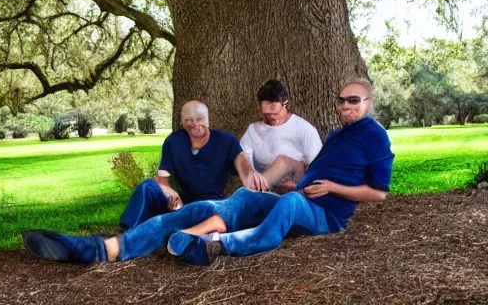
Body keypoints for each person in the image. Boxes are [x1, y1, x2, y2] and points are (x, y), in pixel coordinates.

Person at [22, 79, 394, 265]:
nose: (345, 105)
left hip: (325, 213)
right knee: (216, 204)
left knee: (289, 204)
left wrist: (331, 186)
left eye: (353, 100)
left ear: (369, 102)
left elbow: (379, 193)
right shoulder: (338, 134)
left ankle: (216, 245)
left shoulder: (376, 138)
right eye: (342, 99)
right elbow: (249, 166)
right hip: (293, 195)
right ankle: (105, 248)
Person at [118, 99, 267, 230]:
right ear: (182, 121)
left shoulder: (226, 141)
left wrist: (253, 176)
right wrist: (173, 198)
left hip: (211, 203)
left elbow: (244, 167)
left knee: (208, 213)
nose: (195, 124)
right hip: (184, 202)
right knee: (148, 186)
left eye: (200, 118)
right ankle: (130, 229)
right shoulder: (173, 142)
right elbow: (162, 182)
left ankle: (176, 231)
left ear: (208, 120)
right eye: (189, 119)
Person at [241, 80, 322, 192]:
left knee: (286, 161)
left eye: (275, 113)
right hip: (263, 191)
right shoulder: (253, 131)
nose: (271, 118)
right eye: (267, 114)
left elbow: (319, 170)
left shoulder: (304, 129)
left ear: (285, 104)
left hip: (296, 193)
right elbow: (244, 164)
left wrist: (297, 187)